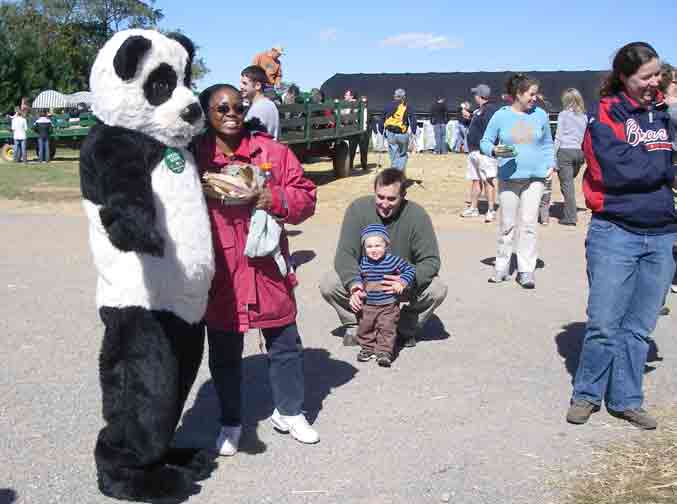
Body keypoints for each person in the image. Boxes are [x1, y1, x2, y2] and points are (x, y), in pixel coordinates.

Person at [193, 84, 319, 456]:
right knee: (225, 352)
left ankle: (290, 413)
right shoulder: (193, 157)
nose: (232, 112)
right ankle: (231, 422)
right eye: (221, 108)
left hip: (266, 268)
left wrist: (271, 197)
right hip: (222, 273)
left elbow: (306, 198)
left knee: (284, 344)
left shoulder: (273, 152)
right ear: (207, 114)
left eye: (238, 105)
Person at [566, 42, 676, 430]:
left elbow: (655, 166)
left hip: (663, 234)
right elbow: (618, 172)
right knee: (604, 322)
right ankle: (586, 393)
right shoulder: (604, 115)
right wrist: (663, 164)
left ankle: (627, 399)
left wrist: (658, 159)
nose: (654, 83)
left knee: (639, 326)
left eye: (658, 74)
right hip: (616, 232)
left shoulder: (666, 113)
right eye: (645, 77)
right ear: (624, 78)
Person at [320, 168, 447, 348]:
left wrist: (405, 280)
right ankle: (357, 323)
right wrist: (354, 284)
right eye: (380, 197)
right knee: (329, 283)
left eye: (391, 199)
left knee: (437, 289)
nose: (384, 204)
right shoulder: (358, 209)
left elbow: (431, 260)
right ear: (374, 192)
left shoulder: (417, 215)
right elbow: (345, 255)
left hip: (401, 283)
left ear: (403, 195)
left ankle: (404, 327)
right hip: (366, 281)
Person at [480, 73, 556, 289]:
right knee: (507, 224)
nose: (535, 98)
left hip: (536, 178)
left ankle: (526, 271)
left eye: (535, 93)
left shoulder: (540, 115)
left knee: (529, 224)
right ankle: (502, 267)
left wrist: (551, 164)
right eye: (531, 94)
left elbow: (548, 144)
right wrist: (494, 150)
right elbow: (485, 141)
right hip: (509, 178)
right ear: (518, 94)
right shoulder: (501, 116)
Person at [353, 224, 415, 367]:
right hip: (368, 303)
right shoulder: (362, 262)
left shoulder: (392, 260)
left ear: (386, 245)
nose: (373, 250)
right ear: (364, 248)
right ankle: (367, 348)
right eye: (369, 246)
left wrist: (402, 281)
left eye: (378, 246)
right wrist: (358, 286)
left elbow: (410, 269)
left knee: (387, 328)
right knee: (365, 326)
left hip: (388, 304)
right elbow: (357, 275)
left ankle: (384, 352)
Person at [462, 84, 500, 221]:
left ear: (480, 96)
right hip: (474, 150)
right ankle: (473, 208)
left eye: (475, 95)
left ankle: (491, 210)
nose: (474, 97)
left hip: (484, 151)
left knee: (488, 180)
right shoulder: (480, 110)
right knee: (475, 180)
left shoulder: (490, 110)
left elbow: (491, 128)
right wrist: (469, 117)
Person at [552, 88, 587, 226]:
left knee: (567, 186)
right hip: (579, 153)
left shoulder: (563, 115)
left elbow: (559, 136)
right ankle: (570, 208)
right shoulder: (584, 116)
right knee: (568, 183)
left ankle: (570, 218)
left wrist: (553, 156)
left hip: (565, 152)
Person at [241, 65, 280, 139]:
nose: (241, 86)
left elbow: (251, 140)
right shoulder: (270, 104)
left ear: (257, 85)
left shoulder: (258, 109)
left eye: (244, 83)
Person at [382, 88, 417, 171]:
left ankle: (394, 174)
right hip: (402, 134)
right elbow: (413, 121)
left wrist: (382, 132)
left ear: (394, 96)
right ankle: (399, 175)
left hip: (390, 133)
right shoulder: (407, 107)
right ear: (404, 97)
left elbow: (382, 119)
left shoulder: (388, 106)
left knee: (393, 154)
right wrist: (413, 133)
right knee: (402, 155)